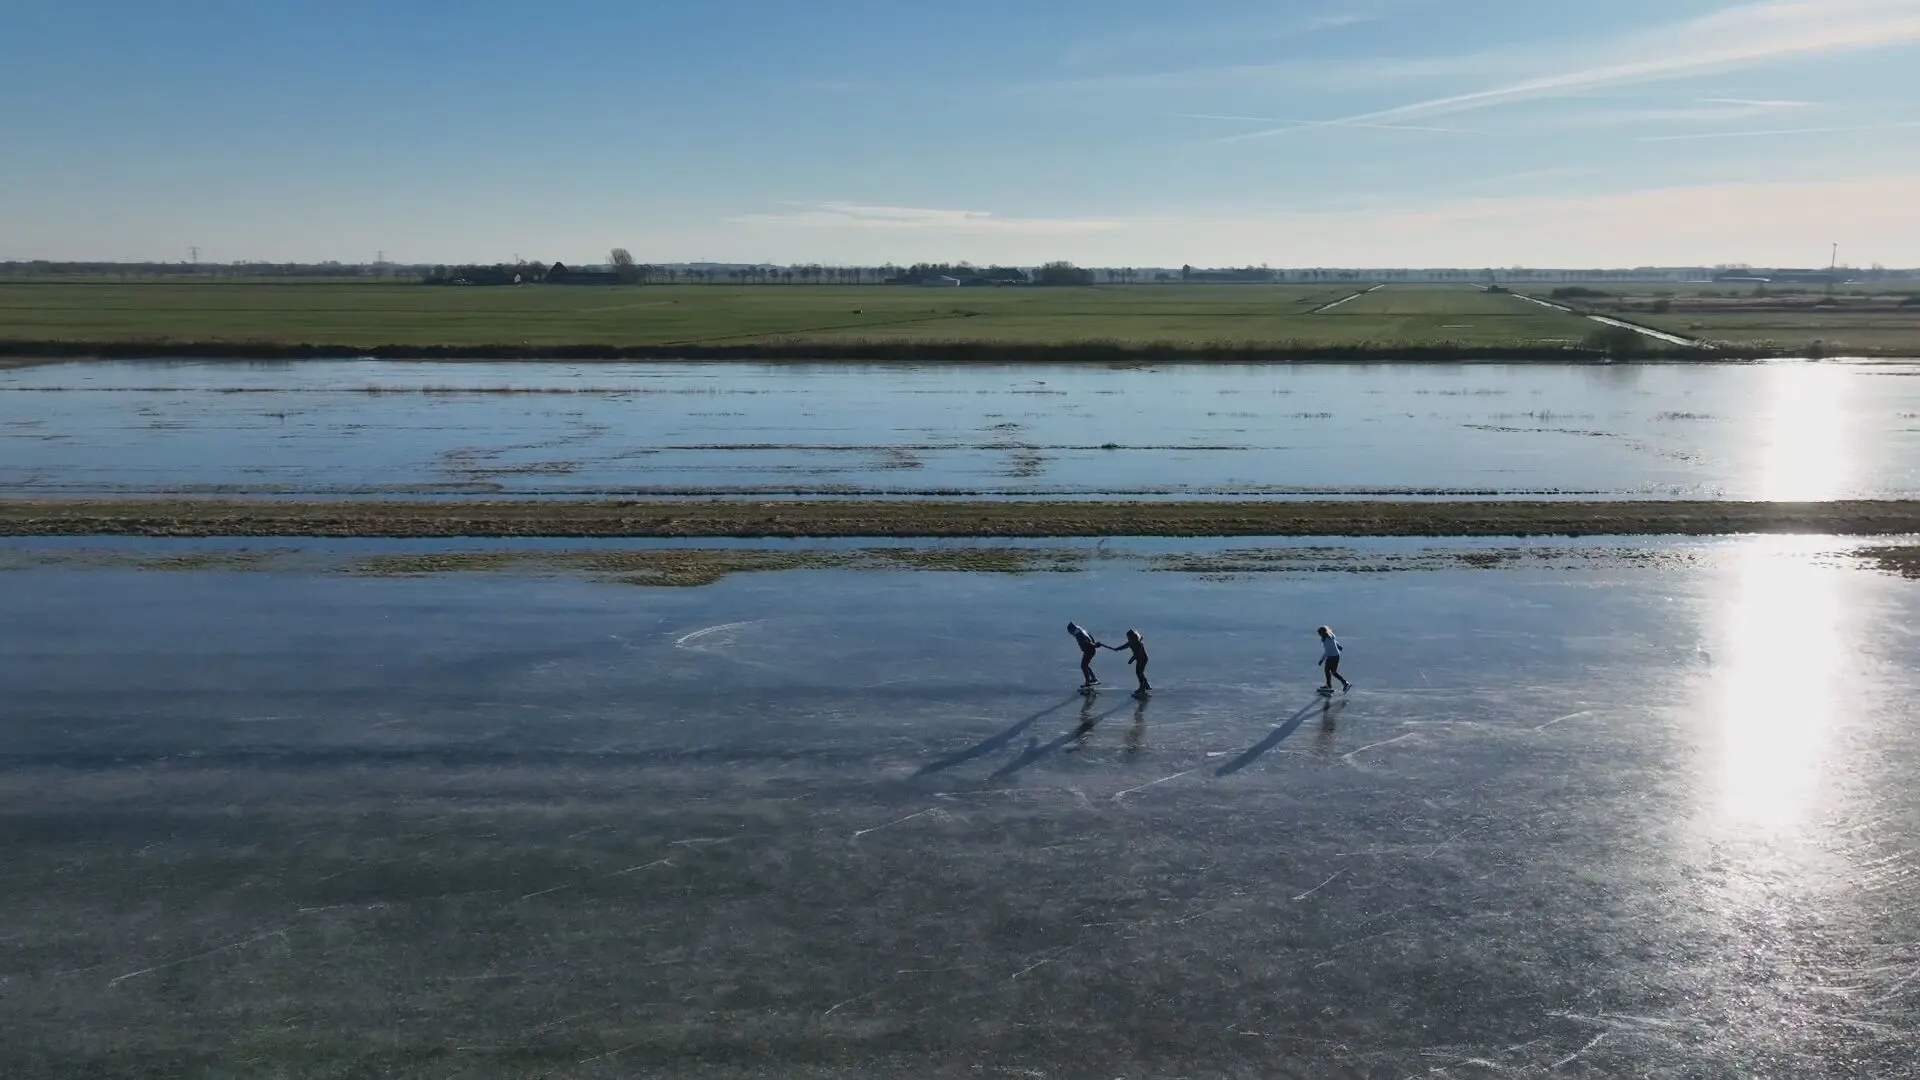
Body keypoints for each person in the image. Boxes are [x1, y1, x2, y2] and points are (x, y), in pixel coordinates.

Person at [1108, 629, 1151, 696]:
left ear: (1132, 637)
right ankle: (1146, 685)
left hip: (1143, 659)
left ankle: (1142, 688)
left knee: (1139, 673)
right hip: (1139, 659)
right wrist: (1117, 649)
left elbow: (1138, 653)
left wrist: (1131, 659)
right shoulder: (1131, 642)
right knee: (1139, 672)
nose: (1128, 638)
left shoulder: (1138, 643)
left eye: (1128, 637)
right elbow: (1124, 646)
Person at [1067, 621, 1104, 688]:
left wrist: (1094, 645)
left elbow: (1087, 642)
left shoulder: (1079, 635)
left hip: (1089, 651)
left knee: (1083, 666)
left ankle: (1088, 682)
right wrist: (1094, 644)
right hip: (1090, 650)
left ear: (1072, 630)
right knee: (1085, 665)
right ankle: (1093, 678)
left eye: (1070, 632)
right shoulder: (1081, 630)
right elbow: (1090, 637)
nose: (1071, 634)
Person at [1317, 625, 1351, 694]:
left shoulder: (1327, 640)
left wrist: (1321, 660)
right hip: (1336, 656)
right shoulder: (1331, 636)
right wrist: (1338, 646)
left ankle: (1330, 685)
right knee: (1333, 672)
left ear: (1322, 633)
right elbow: (1335, 642)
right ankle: (1344, 683)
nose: (1319, 635)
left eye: (1320, 634)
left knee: (1328, 671)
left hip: (1332, 657)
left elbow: (1327, 652)